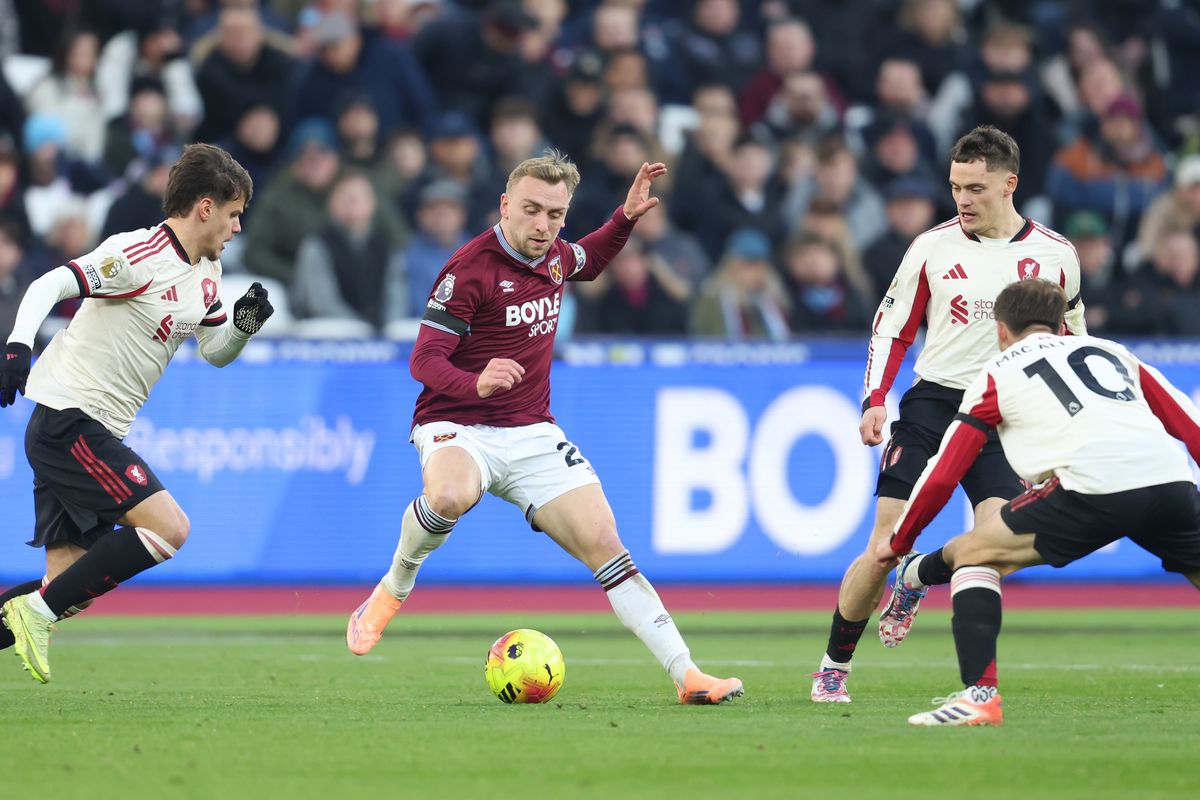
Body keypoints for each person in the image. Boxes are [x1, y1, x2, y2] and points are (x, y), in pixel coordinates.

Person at [345, 150, 744, 705]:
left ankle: (687, 676)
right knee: (451, 494)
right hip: (457, 421)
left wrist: (623, 219)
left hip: (532, 431)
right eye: (532, 210)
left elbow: (591, 258)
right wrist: (475, 382)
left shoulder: (554, 256)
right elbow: (424, 360)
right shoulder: (468, 270)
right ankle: (393, 588)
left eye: (555, 215)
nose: (544, 225)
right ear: (505, 205)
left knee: (608, 545)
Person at [811, 125, 1086, 704]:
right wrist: (874, 400)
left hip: (1004, 416)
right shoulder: (932, 247)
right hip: (935, 403)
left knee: (994, 549)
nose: (962, 199)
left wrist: (1073, 423)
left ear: (1010, 185)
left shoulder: (1056, 256)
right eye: (956, 185)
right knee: (882, 545)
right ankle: (834, 666)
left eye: (976, 188)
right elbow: (893, 329)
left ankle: (924, 585)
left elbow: (1073, 345)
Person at [0, 144, 275, 683]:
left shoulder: (208, 272)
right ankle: (36, 613)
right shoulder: (138, 254)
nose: (238, 226)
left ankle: (35, 609)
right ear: (204, 207)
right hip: (70, 420)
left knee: (67, 585)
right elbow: (49, 284)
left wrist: (241, 326)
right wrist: (17, 347)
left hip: (84, 426)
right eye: (234, 212)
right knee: (170, 529)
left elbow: (215, 351)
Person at [873, 278, 1200, 726]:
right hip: (1170, 481)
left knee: (973, 553)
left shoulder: (998, 371)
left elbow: (945, 472)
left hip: (1091, 487)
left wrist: (899, 539)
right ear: (1062, 324)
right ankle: (915, 577)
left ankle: (977, 693)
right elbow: (1189, 426)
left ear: (1001, 330)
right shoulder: (1112, 352)